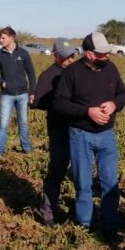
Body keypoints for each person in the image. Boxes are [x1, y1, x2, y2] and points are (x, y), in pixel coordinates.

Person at [53, 31, 125, 238]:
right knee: (83, 182)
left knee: (110, 182)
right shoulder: (72, 73)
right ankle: (83, 226)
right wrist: (87, 112)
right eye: (101, 53)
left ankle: (110, 226)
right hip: (80, 134)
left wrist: (114, 104)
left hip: (107, 135)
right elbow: (59, 102)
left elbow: (122, 94)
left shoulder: (111, 69)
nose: (107, 56)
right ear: (89, 54)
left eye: (107, 52)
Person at [32, 38, 80, 224]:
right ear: (56, 56)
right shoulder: (48, 76)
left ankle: (78, 213)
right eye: (66, 57)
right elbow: (38, 102)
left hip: (78, 129)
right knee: (57, 170)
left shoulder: (77, 72)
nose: (70, 59)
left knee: (79, 172)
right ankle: (48, 211)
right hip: (59, 129)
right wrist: (59, 103)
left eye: (73, 56)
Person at [0, 26, 37, 160]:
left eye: (3, 38)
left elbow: (31, 73)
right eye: (0, 37)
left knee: (23, 123)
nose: (0, 40)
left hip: (23, 94)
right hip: (6, 95)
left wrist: (32, 92)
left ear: (11, 38)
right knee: (3, 125)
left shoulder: (23, 53)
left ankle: (26, 149)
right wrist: (2, 82)